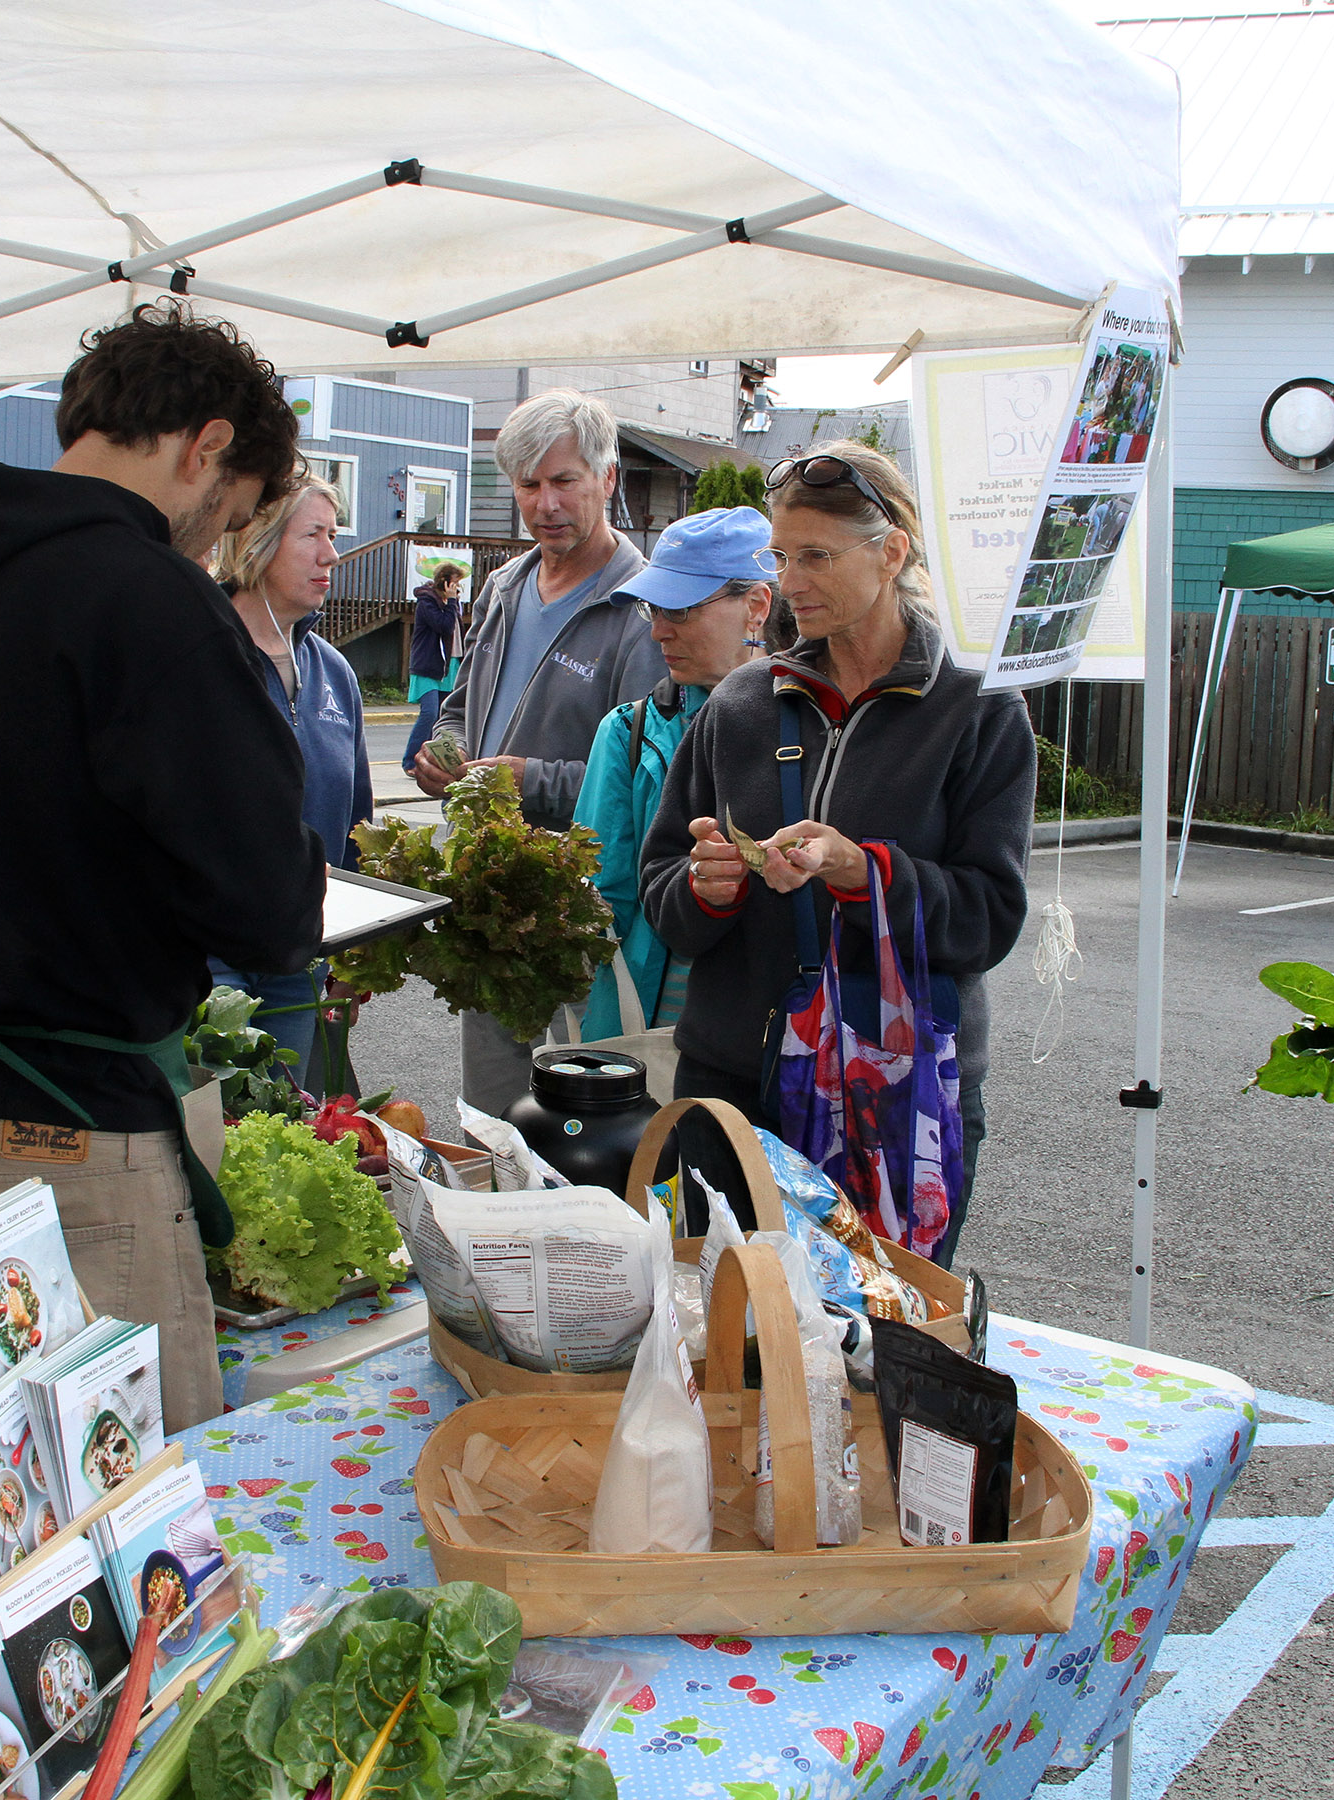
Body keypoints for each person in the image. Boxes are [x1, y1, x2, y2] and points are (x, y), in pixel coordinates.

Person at [0, 303, 323, 1434]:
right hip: (68, 1154)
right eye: (230, 511)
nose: (213, 541)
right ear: (204, 447)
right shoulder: (152, 602)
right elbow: (269, 911)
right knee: (116, 1511)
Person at [638, 443, 1033, 1254]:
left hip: (895, 1095)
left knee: (877, 1322)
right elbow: (663, 888)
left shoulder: (978, 709)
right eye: (781, 557)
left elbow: (989, 919)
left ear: (891, 553)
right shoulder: (740, 704)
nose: (790, 582)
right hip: (735, 1086)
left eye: (816, 556)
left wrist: (864, 872)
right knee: (727, 1315)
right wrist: (705, 887)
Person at [408, 389, 660, 1110]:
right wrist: (444, 754)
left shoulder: (643, 609)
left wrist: (530, 779)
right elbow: (460, 708)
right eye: (528, 484)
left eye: (563, 480)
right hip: (489, 893)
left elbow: (644, 778)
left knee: (574, 1118)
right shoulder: (503, 587)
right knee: (489, 1111)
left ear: (607, 479)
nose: (545, 504)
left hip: (577, 908)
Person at [574, 508, 776, 1043]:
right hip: (649, 1031)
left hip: (784, 1032)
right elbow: (600, 898)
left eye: (681, 609)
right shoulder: (628, 732)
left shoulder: (822, 725)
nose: (658, 630)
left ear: (756, 607)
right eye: (654, 608)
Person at [208, 478, 373, 1082]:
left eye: (333, 535)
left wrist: (355, 953)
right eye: (312, 536)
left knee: (285, 1118)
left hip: (301, 956)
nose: (331, 554)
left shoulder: (334, 671)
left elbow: (358, 825)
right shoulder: (200, 653)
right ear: (257, 540)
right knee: (212, 1121)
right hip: (208, 955)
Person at [400, 561, 465, 772]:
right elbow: (444, 626)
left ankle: (434, 761)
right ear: (444, 582)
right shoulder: (427, 602)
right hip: (428, 665)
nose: (457, 588)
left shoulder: (453, 604)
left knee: (444, 717)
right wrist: (452, 601)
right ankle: (410, 761)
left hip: (449, 665)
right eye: (455, 583)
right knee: (429, 713)